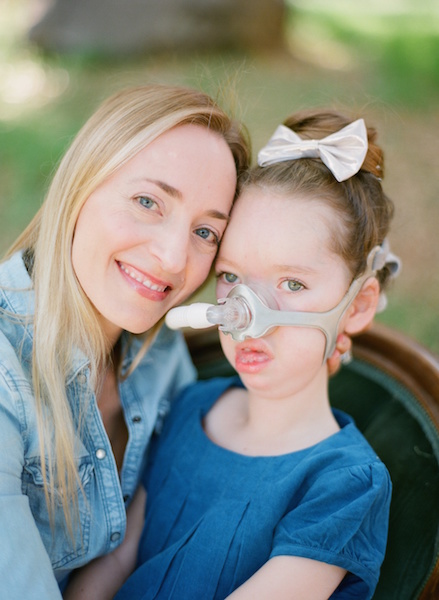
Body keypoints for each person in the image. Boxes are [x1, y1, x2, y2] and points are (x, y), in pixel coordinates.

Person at [66, 108, 398, 600]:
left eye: (292, 283)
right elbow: (118, 559)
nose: (246, 313)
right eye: (232, 278)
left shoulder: (345, 484)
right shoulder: (190, 406)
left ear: (359, 304)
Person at [0, 82, 252, 600]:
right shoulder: (7, 374)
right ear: (80, 185)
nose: (174, 259)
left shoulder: (160, 359)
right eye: (148, 201)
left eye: (206, 232)